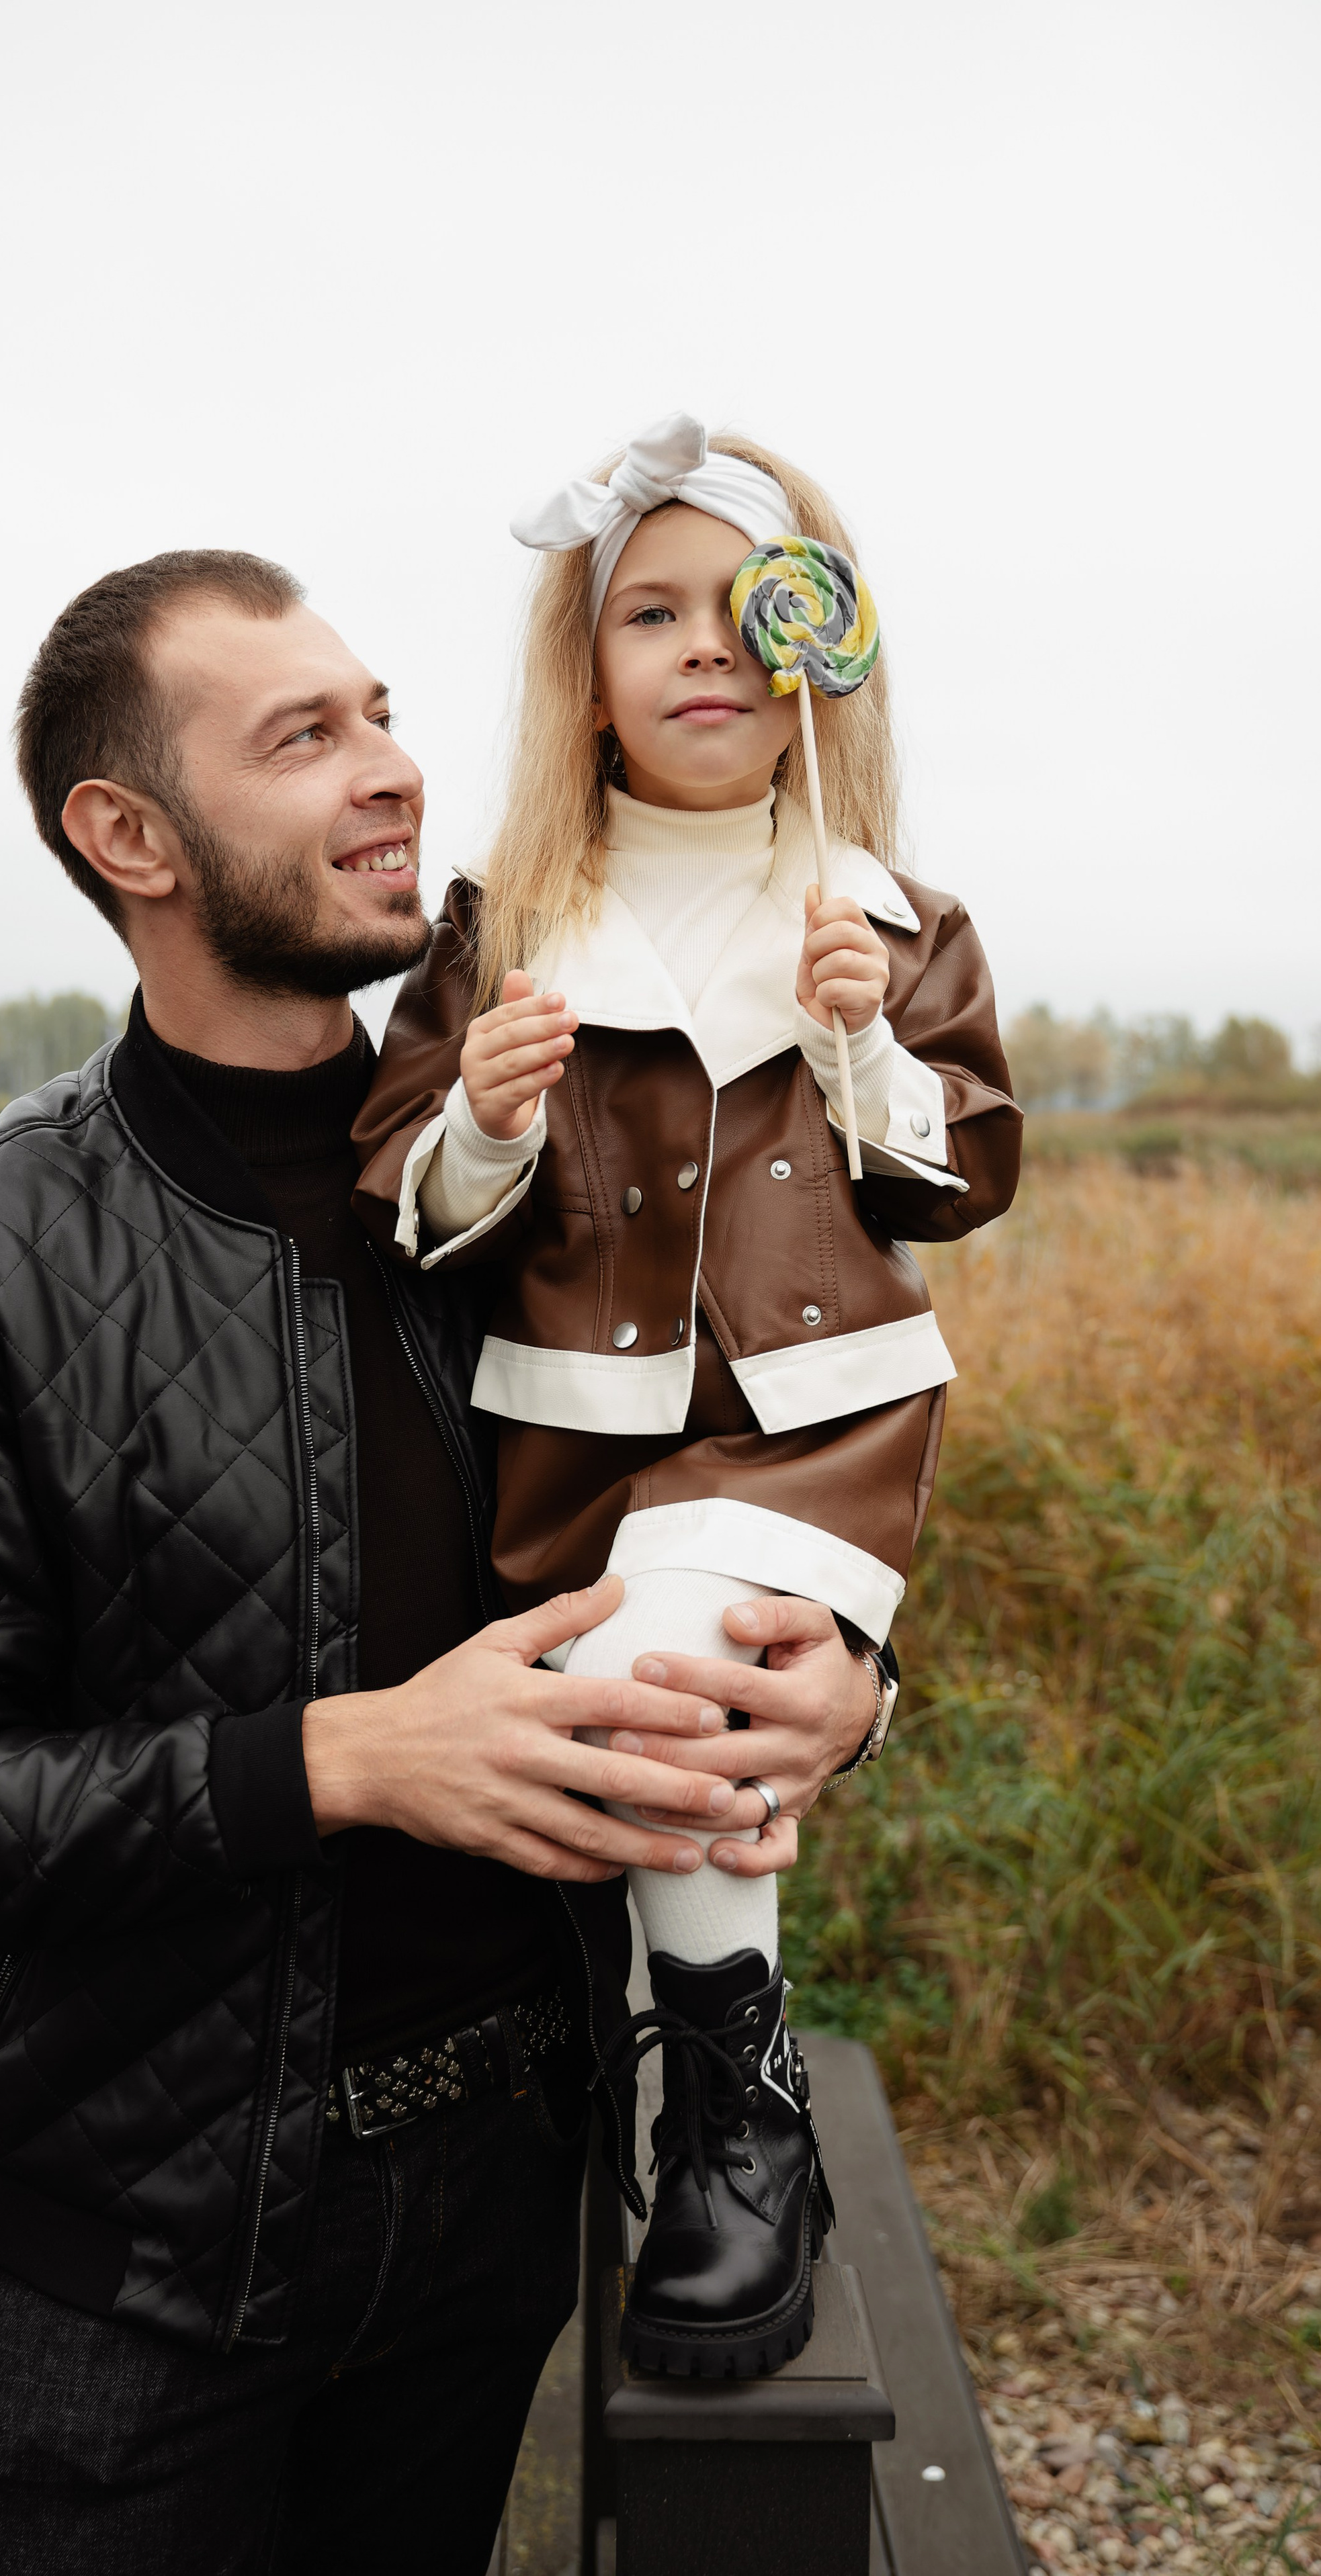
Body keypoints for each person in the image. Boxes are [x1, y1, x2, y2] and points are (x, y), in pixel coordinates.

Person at [0, 544, 878, 2573]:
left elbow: (756, 1484)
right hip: (144, 2252)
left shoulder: (549, 1186)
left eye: (382, 714)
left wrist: (847, 1689)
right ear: (130, 837)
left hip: (506, 2195)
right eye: (304, 738)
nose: (393, 770)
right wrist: (351, 1759)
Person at [353, 416, 1023, 2379]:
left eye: (748, 606)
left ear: (824, 647)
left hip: (819, 1422)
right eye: (650, 612)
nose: (708, 644)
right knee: (643, 1687)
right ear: (586, 672)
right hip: (581, 1434)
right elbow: (395, 1190)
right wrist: (487, 1123)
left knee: (673, 1660)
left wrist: (861, 1048)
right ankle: (742, 2102)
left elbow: (967, 1175)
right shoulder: (503, 922)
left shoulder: (891, 918)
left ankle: (725, 2109)